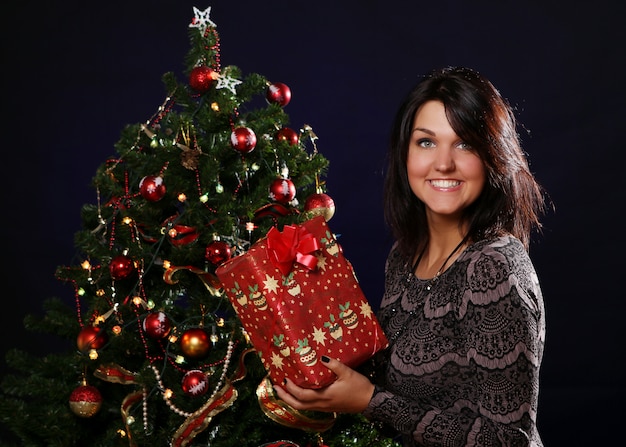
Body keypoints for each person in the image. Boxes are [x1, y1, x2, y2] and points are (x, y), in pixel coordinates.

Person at [273, 66, 547, 446]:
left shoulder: (493, 268)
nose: (444, 163)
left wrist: (370, 400)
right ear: (405, 152)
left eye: (465, 143)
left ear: (492, 156)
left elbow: (509, 440)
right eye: (426, 142)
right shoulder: (404, 255)